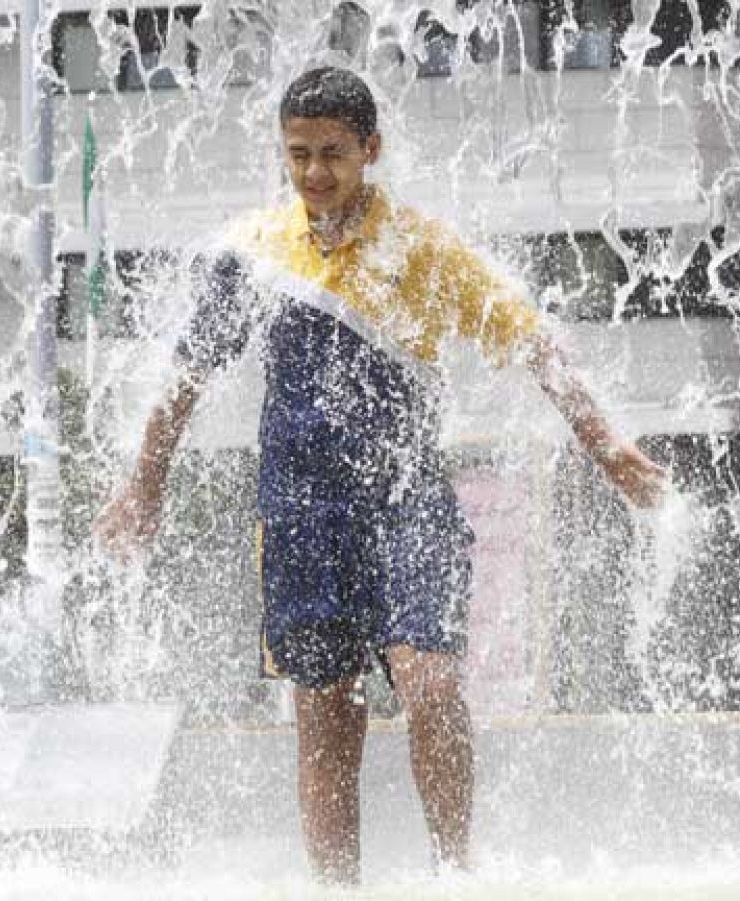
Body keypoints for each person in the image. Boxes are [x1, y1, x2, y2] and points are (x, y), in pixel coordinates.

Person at [96, 65, 667, 883]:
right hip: (299, 512)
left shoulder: (421, 248)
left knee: (431, 682)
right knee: (325, 717)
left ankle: (454, 869)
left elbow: (534, 342)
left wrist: (604, 444)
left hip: (407, 500)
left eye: (332, 152)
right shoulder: (255, 254)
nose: (315, 173)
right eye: (298, 154)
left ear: (371, 148)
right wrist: (144, 484)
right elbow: (186, 377)